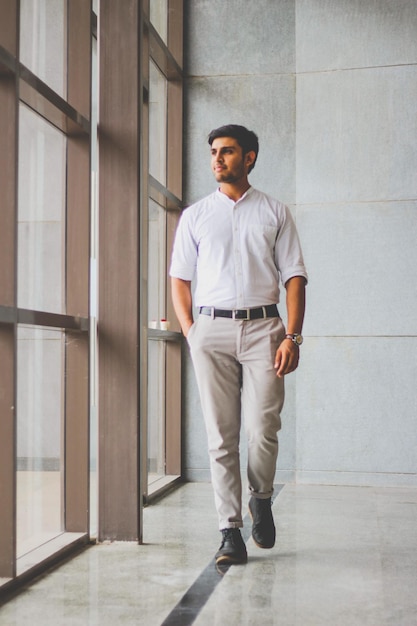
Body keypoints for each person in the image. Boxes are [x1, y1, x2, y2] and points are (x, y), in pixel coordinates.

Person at [170, 124, 307, 565]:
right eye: (213, 152)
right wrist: (192, 330)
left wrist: (292, 335)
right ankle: (230, 530)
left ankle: (261, 498)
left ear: (249, 157)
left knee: (263, 429)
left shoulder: (274, 212)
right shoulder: (194, 215)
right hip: (211, 331)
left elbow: (294, 277)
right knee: (220, 436)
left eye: (227, 152)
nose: (217, 159)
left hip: (265, 330)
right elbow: (180, 278)